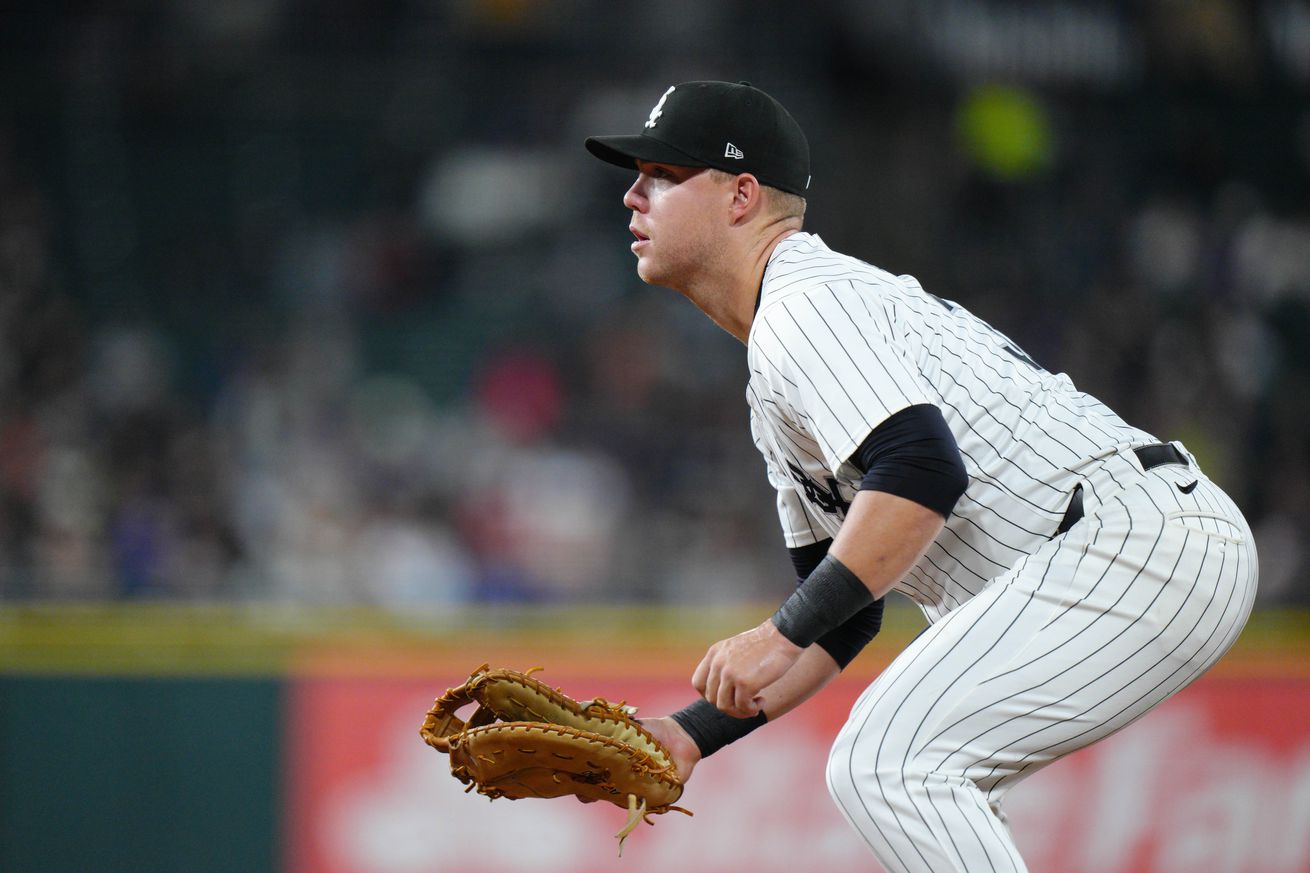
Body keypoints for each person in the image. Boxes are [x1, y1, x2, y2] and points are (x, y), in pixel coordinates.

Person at [584, 81, 1258, 872]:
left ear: (740, 196)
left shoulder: (805, 303)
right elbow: (846, 611)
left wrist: (776, 633)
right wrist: (692, 733)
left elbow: (922, 469)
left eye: (662, 172)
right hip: (1111, 549)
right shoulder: (783, 361)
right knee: (917, 777)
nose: (632, 192)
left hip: (1129, 541)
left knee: (888, 764)